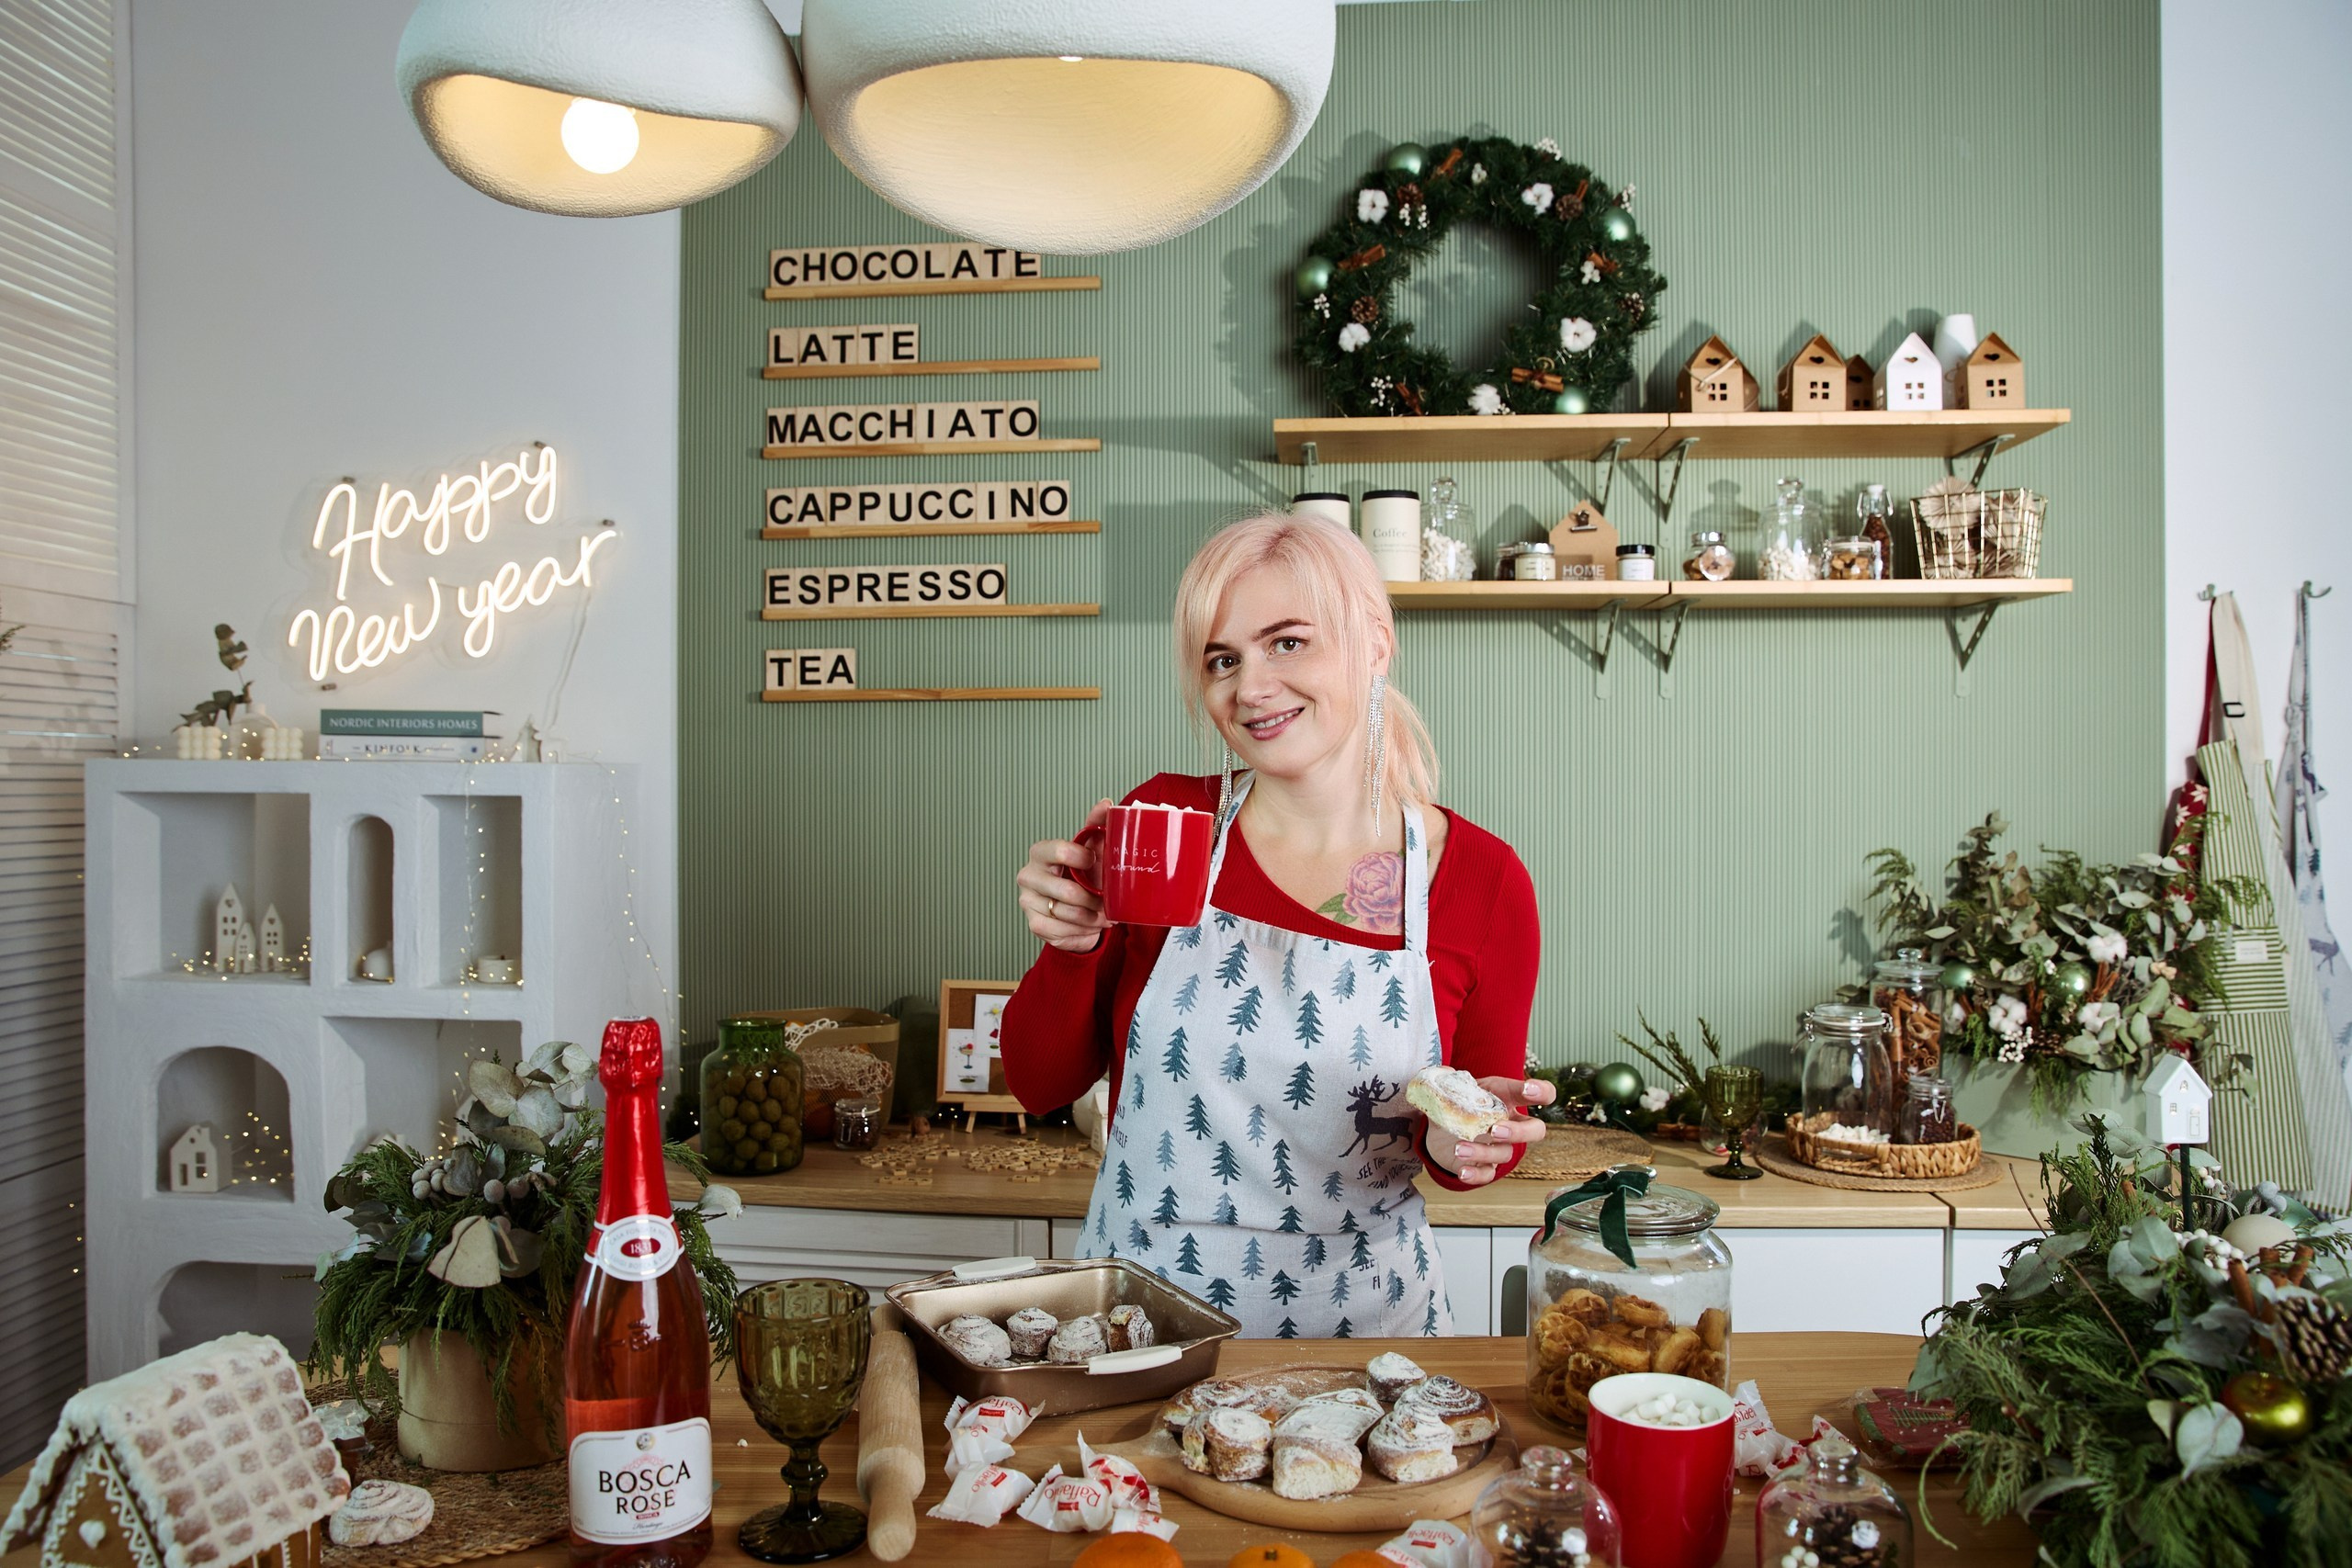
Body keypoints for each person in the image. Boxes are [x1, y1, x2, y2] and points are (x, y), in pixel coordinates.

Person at [1002, 512, 1549, 1337]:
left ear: (1375, 640)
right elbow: (1038, 1082)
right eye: (1223, 658)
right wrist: (1073, 950)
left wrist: (1470, 1139)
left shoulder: (1480, 880)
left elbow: (1471, 1140)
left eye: (1287, 642)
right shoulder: (1166, 821)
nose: (1249, 687)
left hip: (1363, 1339)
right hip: (1145, 1328)